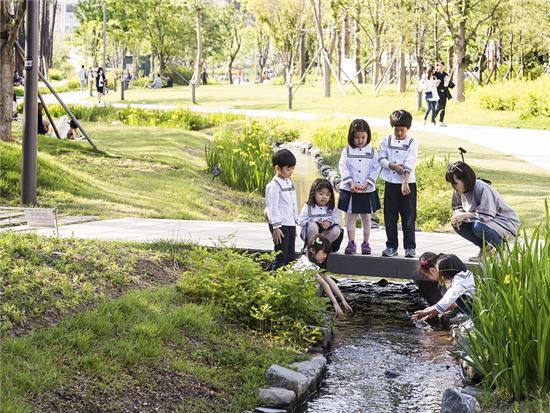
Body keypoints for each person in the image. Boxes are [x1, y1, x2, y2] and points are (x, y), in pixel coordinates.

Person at [445, 161, 520, 262]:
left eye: (455, 183)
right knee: (457, 223)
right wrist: (458, 214)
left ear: (465, 180)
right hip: (487, 220)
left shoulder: (481, 187)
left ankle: (502, 250)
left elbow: (486, 215)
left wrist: (464, 215)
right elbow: (457, 206)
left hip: (505, 222)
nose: (453, 187)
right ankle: (486, 249)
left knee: (478, 226)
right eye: (451, 184)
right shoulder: (458, 191)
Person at [378, 110, 419, 258]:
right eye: (396, 130)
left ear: (408, 128)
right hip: (391, 183)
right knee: (390, 217)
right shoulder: (386, 141)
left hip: (407, 185)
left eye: (402, 130)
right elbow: (381, 158)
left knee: (408, 217)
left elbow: (410, 161)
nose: (399, 133)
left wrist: (405, 182)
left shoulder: (412, 143)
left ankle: (410, 247)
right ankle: (391, 246)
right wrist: (392, 166)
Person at [338, 119, 380, 255]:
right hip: (351, 189)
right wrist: (350, 182)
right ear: (351, 136)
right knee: (351, 215)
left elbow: (376, 167)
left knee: (366, 217)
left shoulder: (372, 152)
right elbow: (342, 167)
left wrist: (369, 181)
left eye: (363, 137)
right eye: (357, 138)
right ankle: (351, 242)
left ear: (368, 136)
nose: (360, 140)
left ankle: (366, 243)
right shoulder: (347, 151)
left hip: (366, 189)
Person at [293, 234, 352, 318]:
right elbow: (324, 284)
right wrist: (335, 303)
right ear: (312, 250)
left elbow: (329, 280)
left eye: (327, 254)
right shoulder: (306, 265)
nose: (325, 256)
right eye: (324, 253)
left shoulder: (311, 263)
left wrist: (343, 300)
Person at [412, 253, 475, 320]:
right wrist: (431, 310)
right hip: (473, 305)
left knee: (460, 299)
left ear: (446, 270)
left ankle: (475, 319)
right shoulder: (463, 275)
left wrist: (425, 313)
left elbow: (446, 301)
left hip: (475, 309)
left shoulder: (459, 283)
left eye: (438, 269)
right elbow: (451, 303)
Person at [265, 148, 298, 270]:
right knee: (281, 256)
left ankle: (287, 282)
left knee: (290, 256)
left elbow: (293, 202)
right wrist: (276, 227)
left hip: (289, 223)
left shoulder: (289, 182)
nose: (291, 172)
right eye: (288, 169)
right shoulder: (274, 185)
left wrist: (294, 222)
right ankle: (276, 284)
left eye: (292, 168)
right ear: (277, 168)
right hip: (279, 225)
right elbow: (272, 208)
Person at [298, 178, 343, 252]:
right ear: (314, 193)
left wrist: (329, 222)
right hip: (311, 233)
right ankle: (311, 246)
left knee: (336, 229)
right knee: (313, 226)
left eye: (327, 194)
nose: (324, 197)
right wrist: (316, 222)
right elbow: (300, 221)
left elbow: (337, 219)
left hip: (326, 233)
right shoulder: (309, 206)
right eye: (321, 194)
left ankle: (322, 247)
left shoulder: (331, 208)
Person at [433, 61, 454, 127]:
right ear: (437, 67)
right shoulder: (435, 74)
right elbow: (431, 81)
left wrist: (450, 84)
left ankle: (441, 122)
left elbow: (447, 84)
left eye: (442, 66)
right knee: (439, 106)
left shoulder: (446, 74)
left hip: (444, 93)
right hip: (437, 92)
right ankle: (432, 118)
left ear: (443, 66)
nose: (440, 67)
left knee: (443, 107)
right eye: (439, 66)